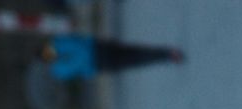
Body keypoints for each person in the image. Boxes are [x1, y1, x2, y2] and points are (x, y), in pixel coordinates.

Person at [38, 35, 184, 79]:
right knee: (133, 51)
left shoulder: (58, 71)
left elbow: (76, 71)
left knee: (134, 59)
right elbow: (77, 41)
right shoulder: (58, 43)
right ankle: (167, 53)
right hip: (97, 47)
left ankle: (167, 56)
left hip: (98, 63)